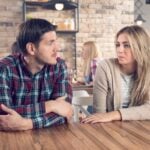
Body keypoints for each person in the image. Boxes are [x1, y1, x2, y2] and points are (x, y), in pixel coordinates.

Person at [0, 18, 73, 131]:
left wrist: (29, 124)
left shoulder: (59, 67)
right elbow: (4, 116)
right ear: (31, 48)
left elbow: (66, 112)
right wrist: (50, 105)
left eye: (56, 41)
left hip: (51, 139)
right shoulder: (5, 68)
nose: (57, 48)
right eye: (50, 43)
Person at [82, 25, 150, 123]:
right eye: (118, 45)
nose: (120, 50)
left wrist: (115, 114)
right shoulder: (105, 67)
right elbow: (99, 115)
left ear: (141, 47)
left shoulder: (148, 71)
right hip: (110, 131)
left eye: (126, 45)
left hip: (139, 131)